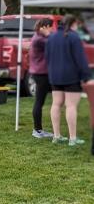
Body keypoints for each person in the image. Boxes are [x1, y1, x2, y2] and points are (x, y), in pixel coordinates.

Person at [46, 14, 94, 146]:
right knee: (71, 105)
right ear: (73, 23)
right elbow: (81, 59)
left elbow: (47, 57)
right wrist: (86, 76)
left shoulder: (52, 37)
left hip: (55, 76)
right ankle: (72, 138)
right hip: (71, 76)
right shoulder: (74, 37)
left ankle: (56, 136)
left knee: (56, 104)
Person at [29, 18, 53, 138]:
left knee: (40, 101)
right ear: (45, 26)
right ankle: (37, 130)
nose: (51, 30)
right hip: (41, 73)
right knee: (39, 101)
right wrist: (49, 35)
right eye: (50, 27)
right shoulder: (39, 39)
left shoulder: (38, 37)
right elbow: (52, 43)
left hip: (39, 72)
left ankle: (38, 129)